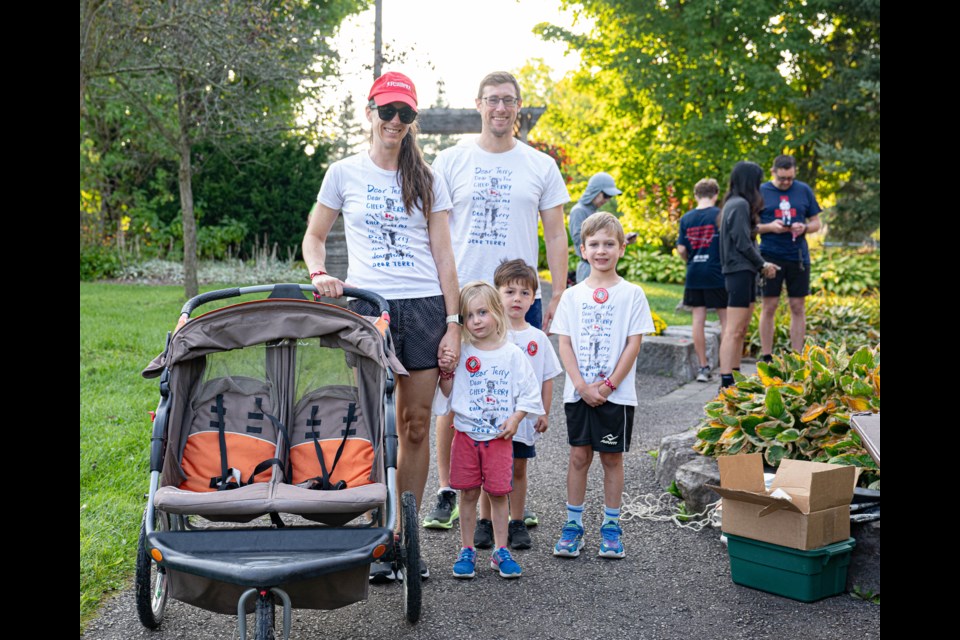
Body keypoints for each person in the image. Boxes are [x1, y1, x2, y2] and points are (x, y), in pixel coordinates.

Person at [302, 71, 461, 581]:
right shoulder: (343, 173)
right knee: (373, 422)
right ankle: (374, 528)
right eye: (387, 111)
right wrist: (321, 273)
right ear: (370, 111)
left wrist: (454, 322)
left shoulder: (429, 178)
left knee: (415, 424)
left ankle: (401, 539)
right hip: (370, 307)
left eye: (405, 114)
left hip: (424, 307)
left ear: (413, 121)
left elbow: (444, 255)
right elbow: (314, 236)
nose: (395, 121)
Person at [423, 71, 570, 531]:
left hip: (514, 300)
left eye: (508, 100)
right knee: (454, 392)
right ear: (479, 105)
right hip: (463, 298)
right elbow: (433, 226)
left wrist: (559, 290)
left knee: (508, 395)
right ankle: (450, 489)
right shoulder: (451, 160)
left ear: (519, 106)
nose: (501, 108)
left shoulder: (540, 165)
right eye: (493, 101)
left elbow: (557, 231)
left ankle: (501, 498)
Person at [551, 212, 654, 559]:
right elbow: (564, 343)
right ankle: (573, 526)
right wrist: (581, 385)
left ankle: (611, 527)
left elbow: (633, 344)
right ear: (582, 249)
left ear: (622, 248)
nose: (601, 250)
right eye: (594, 244)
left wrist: (608, 386)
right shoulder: (571, 296)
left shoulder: (633, 294)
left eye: (609, 244)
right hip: (578, 393)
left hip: (617, 395)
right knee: (579, 456)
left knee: (612, 457)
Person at [434, 281, 542, 579]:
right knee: (468, 494)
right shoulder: (463, 352)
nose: (476, 320)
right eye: (468, 316)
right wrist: (445, 372)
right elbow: (446, 392)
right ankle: (467, 549)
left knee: (497, 495)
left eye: (482, 312)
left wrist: (517, 418)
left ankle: (500, 550)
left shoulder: (512, 354)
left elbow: (528, 391)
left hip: (499, 439)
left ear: (497, 311)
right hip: (467, 436)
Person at [471, 259, 562, 551]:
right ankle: (484, 521)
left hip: (522, 422)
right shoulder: (489, 336)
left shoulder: (538, 338)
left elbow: (546, 378)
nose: (517, 299)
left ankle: (517, 520)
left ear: (533, 297)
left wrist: (544, 412)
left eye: (525, 293)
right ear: (497, 294)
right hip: (492, 421)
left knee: (518, 469)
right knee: (489, 472)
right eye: (510, 292)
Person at [717, 162, 779, 389]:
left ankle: (734, 377)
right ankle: (725, 381)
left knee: (740, 329)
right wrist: (762, 264)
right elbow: (742, 243)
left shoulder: (733, 204)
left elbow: (744, 235)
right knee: (733, 330)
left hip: (742, 272)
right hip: (739, 271)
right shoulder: (740, 204)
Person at [757, 155, 822, 358]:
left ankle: (797, 356)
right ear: (773, 171)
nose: (786, 182)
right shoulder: (761, 191)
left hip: (798, 256)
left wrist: (804, 227)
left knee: (797, 306)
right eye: (782, 178)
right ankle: (767, 356)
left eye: (790, 178)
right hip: (769, 256)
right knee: (769, 305)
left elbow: (816, 223)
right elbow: (750, 227)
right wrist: (770, 227)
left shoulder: (803, 190)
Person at [676, 178, 727, 382]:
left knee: (698, 320)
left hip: (694, 273)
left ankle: (703, 368)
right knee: (726, 322)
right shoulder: (720, 215)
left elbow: (681, 249)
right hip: (717, 273)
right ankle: (727, 366)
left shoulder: (686, 218)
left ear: (696, 195)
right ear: (715, 195)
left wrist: (691, 258)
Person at [569, 172, 623, 283]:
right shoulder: (579, 211)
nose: (607, 200)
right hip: (588, 268)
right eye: (606, 195)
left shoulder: (593, 211)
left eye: (610, 197)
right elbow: (579, 240)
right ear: (594, 191)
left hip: (601, 266)